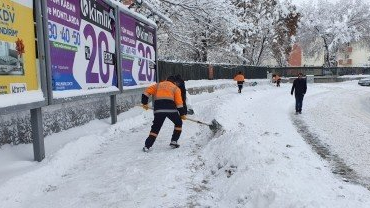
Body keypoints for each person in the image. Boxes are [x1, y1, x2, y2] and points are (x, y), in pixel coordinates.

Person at [141, 76, 187, 152]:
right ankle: (174, 141)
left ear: (166, 80)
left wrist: (144, 103)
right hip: (171, 110)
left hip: (158, 110)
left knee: (156, 127)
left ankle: (147, 146)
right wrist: (182, 114)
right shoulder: (176, 88)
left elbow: (146, 92)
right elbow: (179, 103)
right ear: (174, 82)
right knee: (178, 123)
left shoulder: (158, 85)